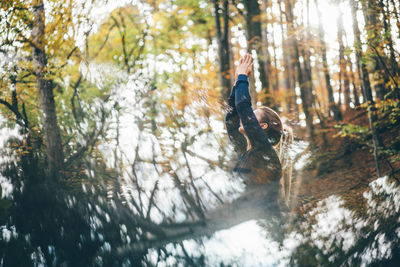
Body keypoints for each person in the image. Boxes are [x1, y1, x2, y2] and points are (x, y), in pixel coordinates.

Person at [225, 53, 283, 189]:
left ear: (262, 126)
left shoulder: (264, 150)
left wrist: (243, 77)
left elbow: (243, 107)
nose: (244, 118)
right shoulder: (246, 153)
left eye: (252, 116)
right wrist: (237, 83)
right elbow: (231, 119)